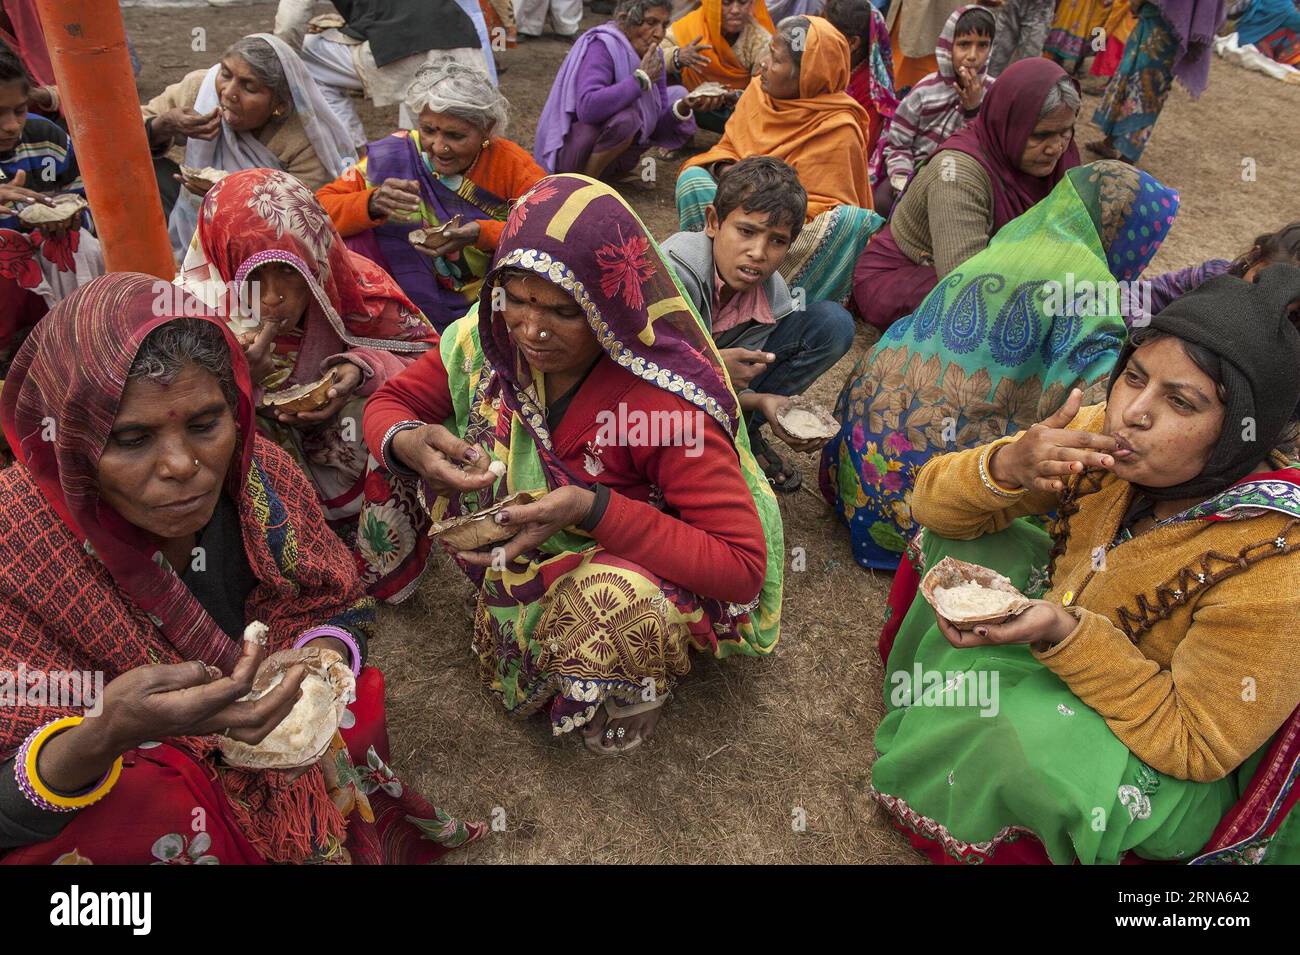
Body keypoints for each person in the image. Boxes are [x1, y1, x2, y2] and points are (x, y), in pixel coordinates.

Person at [0, 273, 483, 864]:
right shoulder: (16, 548)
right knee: (154, 803)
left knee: (346, 712)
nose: (182, 465)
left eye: (205, 425)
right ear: (69, 444)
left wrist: (320, 657)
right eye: (130, 439)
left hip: (258, 728)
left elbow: (331, 598)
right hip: (114, 783)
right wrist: (104, 734)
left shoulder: (259, 480)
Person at [870, 266, 1300, 864]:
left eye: (1180, 402)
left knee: (1022, 735)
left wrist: (1066, 633)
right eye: (1133, 377)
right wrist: (1006, 467)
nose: (1133, 414)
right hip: (1077, 634)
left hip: (1159, 751)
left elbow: (1195, 742)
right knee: (962, 546)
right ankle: (945, 711)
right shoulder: (1107, 437)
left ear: (1237, 437)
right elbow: (930, 503)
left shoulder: (1273, 563)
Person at [359, 174, 783, 753]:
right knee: (401, 451)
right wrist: (407, 440)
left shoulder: (663, 405)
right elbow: (392, 403)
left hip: (619, 553)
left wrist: (594, 507)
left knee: (617, 608)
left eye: (562, 311)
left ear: (608, 305)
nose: (531, 329)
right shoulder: (486, 341)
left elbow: (739, 566)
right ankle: (507, 594)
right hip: (527, 533)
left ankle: (633, 682)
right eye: (516, 299)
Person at [824, 160, 1179, 570]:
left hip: (856, 464)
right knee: (1080, 461)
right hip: (925, 503)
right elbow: (1098, 411)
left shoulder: (1014, 241)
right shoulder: (1090, 291)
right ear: (1126, 237)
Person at [176, 169, 437, 537]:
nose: (271, 297)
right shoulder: (192, 313)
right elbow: (173, 422)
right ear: (224, 263)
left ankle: (365, 541)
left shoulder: (352, 289)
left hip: (337, 451)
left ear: (314, 257)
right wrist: (240, 381)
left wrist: (360, 368)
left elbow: (431, 370)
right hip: (254, 476)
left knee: (386, 412)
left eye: (286, 271)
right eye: (250, 274)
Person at [663, 157, 855, 492]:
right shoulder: (675, 271)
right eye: (746, 231)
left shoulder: (774, 296)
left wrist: (764, 401)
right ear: (713, 222)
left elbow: (736, 384)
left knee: (833, 324)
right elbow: (634, 365)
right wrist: (714, 367)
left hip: (709, 389)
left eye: (777, 240)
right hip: (653, 397)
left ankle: (743, 430)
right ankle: (709, 440)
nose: (758, 252)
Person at [852, 58, 1081, 329]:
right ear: (1009, 125)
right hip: (909, 275)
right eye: (1041, 135)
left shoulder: (1057, 161)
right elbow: (965, 281)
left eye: (1065, 132)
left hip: (995, 275)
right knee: (1002, 313)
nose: (1056, 147)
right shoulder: (958, 173)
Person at [317, 61, 545, 332]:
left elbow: (547, 232)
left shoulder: (511, 165)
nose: (439, 147)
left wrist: (480, 233)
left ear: (487, 128)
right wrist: (373, 202)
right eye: (428, 130)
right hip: (400, 290)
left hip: (485, 298)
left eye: (455, 135)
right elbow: (317, 209)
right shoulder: (396, 155)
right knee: (352, 240)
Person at [677, 15, 883, 305]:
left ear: (807, 75)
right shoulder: (758, 93)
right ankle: (708, 282)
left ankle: (779, 301)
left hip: (787, 235)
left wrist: (768, 200)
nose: (762, 64)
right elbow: (727, 148)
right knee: (693, 180)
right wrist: (726, 169)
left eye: (775, 59)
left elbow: (830, 207)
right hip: (740, 219)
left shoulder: (838, 126)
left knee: (848, 222)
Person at [141, 34, 356, 258]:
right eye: (225, 74)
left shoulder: (304, 141)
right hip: (187, 211)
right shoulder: (201, 90)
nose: (228, 92)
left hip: (258, 242)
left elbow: (300, 223)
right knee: (142, 172)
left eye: (249, 87)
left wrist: (228, 200)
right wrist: (163, 126)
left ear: (279, 106)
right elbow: (120, 132)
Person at [275, 0, 497, 151]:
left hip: (403, 41)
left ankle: (354, 152)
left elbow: (289, 23)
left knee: (301, 57)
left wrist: (281, 76)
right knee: (467, 134)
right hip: (460, 32)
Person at [0, 42, 103, 348]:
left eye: (19, 110)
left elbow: (84, 201)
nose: (10, 126)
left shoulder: (47, 137)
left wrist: (69, 218)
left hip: (44, 259)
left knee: (81, 245)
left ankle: (76, 331)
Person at [534, 0, 706, 183]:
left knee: (677, 94)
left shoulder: (654, 57)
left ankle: (606, 173)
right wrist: (639, 81)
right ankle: (586, 182)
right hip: (573, 153)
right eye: (650, 23)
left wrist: (683, 107)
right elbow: (588, 108)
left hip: (610, 152)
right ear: (625, 20)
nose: (659, 34)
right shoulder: (603, 46)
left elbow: (655, 127)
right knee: (628, 119)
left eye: (663, 25)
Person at [1086, 0, 1227, 164]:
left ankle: (1128, 155)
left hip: (1167, 25)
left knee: (1147, 88)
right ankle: (1110, 141)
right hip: (1155, 19)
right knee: (1128, 77)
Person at [880, 6, 995, 204]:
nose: (972, 56)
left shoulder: (994, 95)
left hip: (962, 181)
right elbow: (898, 144)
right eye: (964, 44)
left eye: (982, 46)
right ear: (948, 46)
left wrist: (973, 110)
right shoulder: (925, 91)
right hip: (914, 174)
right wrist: (903, 179)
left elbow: (987, 151)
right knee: (881, 201)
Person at [660, 0, 776, 132]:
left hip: (734, 113)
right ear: (712, 5)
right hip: (686, 104)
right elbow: (653, 55)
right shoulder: (689, 27)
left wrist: (737, 97)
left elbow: (765, 92)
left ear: (752, 5)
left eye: (743, 2)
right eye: (726, 3)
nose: (735, 10)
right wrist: (678, 57)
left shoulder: (760, 41)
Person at [824, 0, 900, 199]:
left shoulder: (869, 93)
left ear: (852, 43)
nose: (819, 40)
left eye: (827, 34)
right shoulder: (829, 66)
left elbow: (860, 150)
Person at [1045, 0, 1114, 75]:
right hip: (1078, 7)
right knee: (1075, 26)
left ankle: (1068, 64)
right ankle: (1061, 61)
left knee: (1082, 28)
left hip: (1085, 8)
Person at [987, 0, 1056, 75]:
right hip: (1012, 5)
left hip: (1041, 8)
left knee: (1027, 63)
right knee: (996, 55)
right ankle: (986, 84)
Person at [1233, 0, 1300, 65]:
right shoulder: (1284, 5)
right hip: (1253, 44)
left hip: (1242, 37)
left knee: (1283, 25)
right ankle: (1288, 62)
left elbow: (1232, 14)